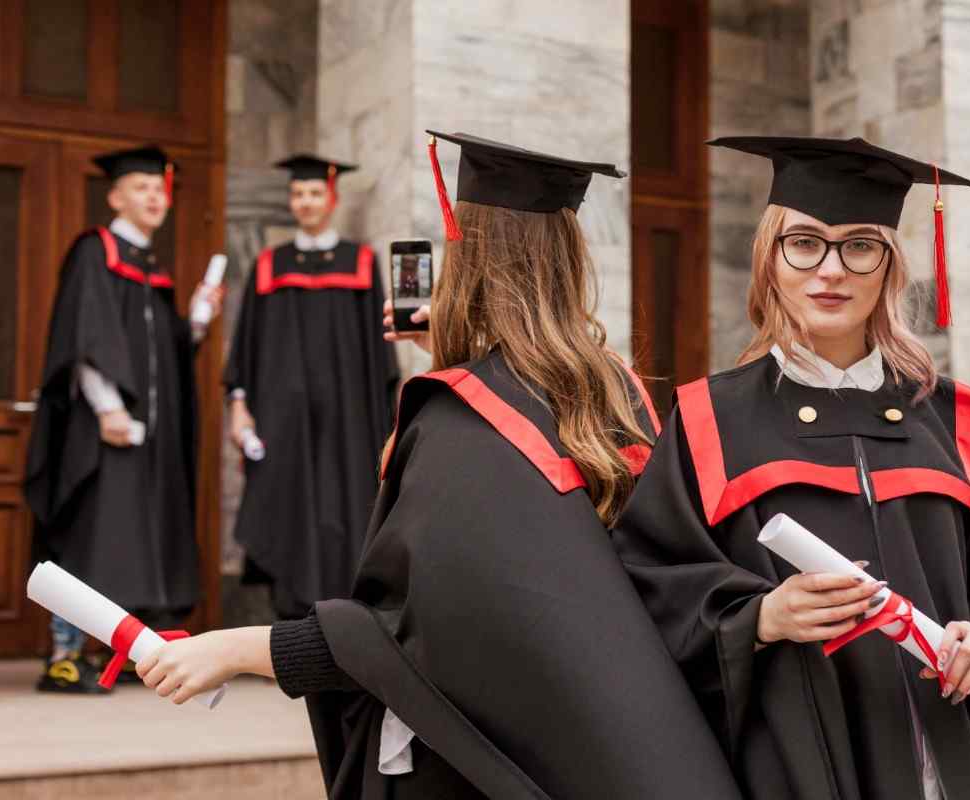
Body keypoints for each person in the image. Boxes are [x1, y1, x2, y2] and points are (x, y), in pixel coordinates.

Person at [134, 131, 743, 800]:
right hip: (617, 751)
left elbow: (402, 632)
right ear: (569, 257)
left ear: (466, 254)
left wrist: (230, 651)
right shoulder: (615, 389)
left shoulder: (458, 421)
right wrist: (459, 351)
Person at [611, 136, 970, 799]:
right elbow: (648, 586)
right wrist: (760, 617)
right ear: (770, 261)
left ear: (888, 266)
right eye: (806, 243)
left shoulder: (952, 419)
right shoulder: (710, 421)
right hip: (800, 762)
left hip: (954, 751)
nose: (831, 271)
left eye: (860, 245)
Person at [24, 145, 224, 693]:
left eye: (161, 190)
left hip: (147, 441)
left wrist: (198, 320)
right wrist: (108, 406)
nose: (155, 197)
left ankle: (136, 656)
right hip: (103, 431)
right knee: (89, 539)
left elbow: (164, 354)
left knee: (135, 542)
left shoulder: (149, 268)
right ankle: (64, 656)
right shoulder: (97, 251)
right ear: (115, 196)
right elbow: (83, 336)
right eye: (142, 187)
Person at [224, 154, 398, 619]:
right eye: (298, 193)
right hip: (283, 423)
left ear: (332, 199)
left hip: (348, 420)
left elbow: (377, 352)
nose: (305, 201)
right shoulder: (269, 266)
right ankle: (291, 617)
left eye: (314, 193)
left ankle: (344, 619)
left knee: (345, 508)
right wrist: (240, 406)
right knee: (288, 505)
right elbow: (245, 348)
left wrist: (385, 421)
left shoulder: (359, 263)